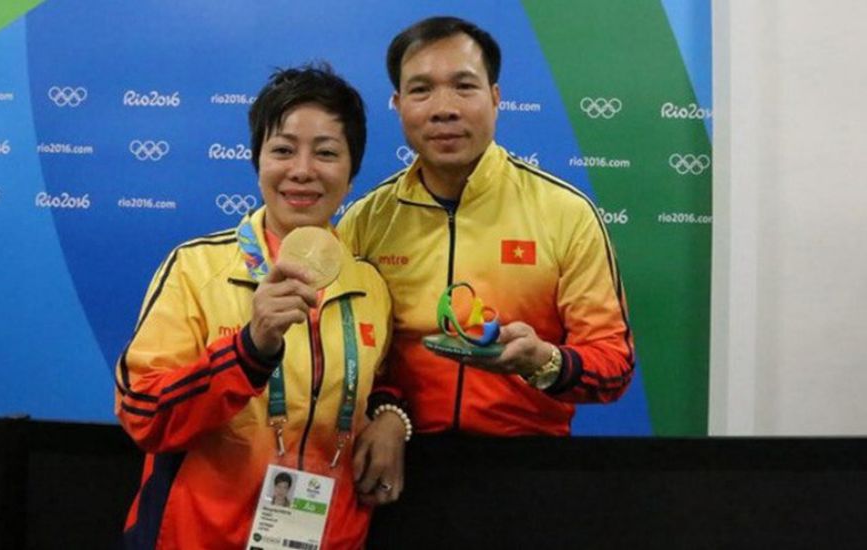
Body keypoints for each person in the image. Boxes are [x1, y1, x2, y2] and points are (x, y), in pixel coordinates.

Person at [116, 65, 410, 550]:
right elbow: (141, 411)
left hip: (329, 536)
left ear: (352, 174)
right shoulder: (197, 269)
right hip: (198, 537)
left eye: (327, 153)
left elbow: (382, 383)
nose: (302, 170)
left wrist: (392, 417)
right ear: (257, 162)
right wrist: (249, 350)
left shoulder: (369, 285)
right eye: (282, 149)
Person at [338, 16, 635, 437]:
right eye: (421, 90)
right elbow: (341, 359)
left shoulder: (565, 213)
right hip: (398, 463)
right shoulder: (366, 223)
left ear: (496, 98)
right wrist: (388, 409)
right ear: (398, 104)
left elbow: (614, 365)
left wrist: (543, 361)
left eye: (464, 86)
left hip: (528, 470)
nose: (445, 109)